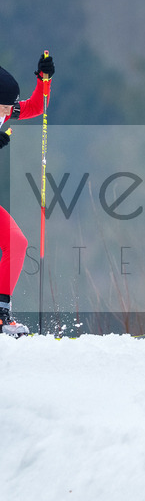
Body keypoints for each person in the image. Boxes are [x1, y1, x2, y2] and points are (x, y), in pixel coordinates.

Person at [0, 52, 55, 337]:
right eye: (0, 109)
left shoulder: (7, 110)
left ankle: (0, 313)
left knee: (17, 242)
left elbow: (35, 107)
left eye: (6, 109)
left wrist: (44, 80)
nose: (4, 115)